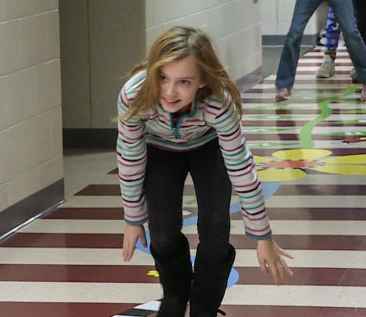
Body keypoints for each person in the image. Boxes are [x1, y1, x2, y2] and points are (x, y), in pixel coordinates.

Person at [118, 26, 293, 317]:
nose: (170, 91)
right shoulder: (135, 97)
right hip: (160, 151)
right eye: (163, 77)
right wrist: (133, 217)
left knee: (215, 229)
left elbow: (241, 167)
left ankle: (204, 307)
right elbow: (130, 158)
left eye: (184, 82)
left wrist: (263, 237)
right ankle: (174, 295)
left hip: (208, 149)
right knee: (161, 231)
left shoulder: (218, 102)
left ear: (201, 81)